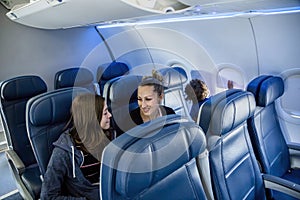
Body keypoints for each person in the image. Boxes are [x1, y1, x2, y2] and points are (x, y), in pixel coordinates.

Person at [40, 94, 112, 200]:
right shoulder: (64, 152)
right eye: (105, 113)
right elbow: (48, 196)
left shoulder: (107, 135)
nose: (110, 115)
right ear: (92, 118)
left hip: (112, 191)